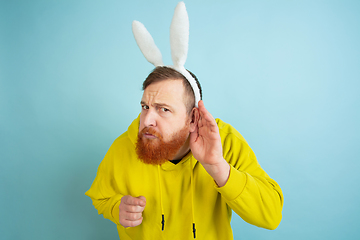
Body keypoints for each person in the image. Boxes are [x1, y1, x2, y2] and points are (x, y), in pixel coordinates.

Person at [85, 2, 283, 240]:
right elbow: (101, 197)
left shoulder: (225, 142)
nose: (147, 119)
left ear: (193, 119)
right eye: (145, 106)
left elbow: (271, 215)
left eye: (164, 109)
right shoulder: (124, 147)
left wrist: (218, 168)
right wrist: (116, 208)